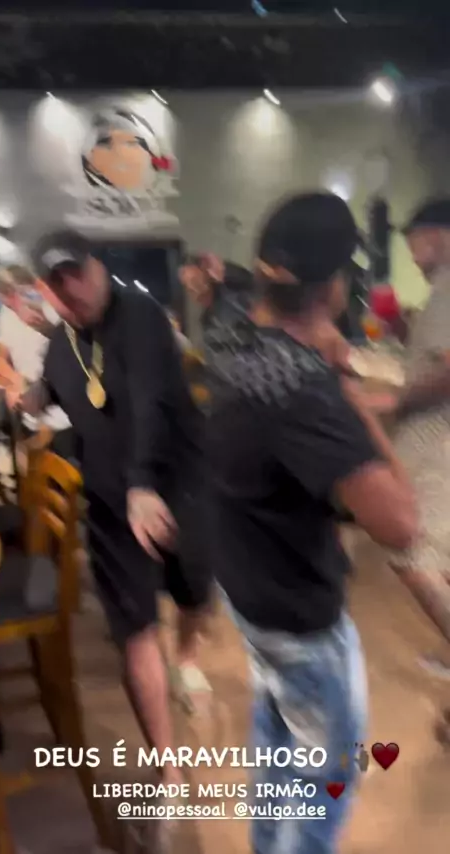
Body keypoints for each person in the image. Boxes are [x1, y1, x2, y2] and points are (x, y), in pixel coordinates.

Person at [204, 192, 417, 854]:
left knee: (278, 740)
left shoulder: (226, 332)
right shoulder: (310, 393)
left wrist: (324, 356)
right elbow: (400, 524)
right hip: (299, 614)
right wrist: (353, 398)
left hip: (246, 590)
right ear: (334, 287)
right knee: (327, 781)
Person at [8, 230, 211, 781]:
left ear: (98, 266)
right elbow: (52, 388)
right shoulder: (60, 343)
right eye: (57, 282)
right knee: (136, 631)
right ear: (45, 290)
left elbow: (148, 400)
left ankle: (187, 657)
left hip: (178, 483)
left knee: (194, 589)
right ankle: (168, 772)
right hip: (110, 500)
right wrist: (30, 399)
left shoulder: (139, 315)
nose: (71, 288)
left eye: (77, 272)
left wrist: (142, 485)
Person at [376, 199, 450, 678]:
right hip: (437, 441)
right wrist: (403, 329)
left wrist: (392, 400)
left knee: (409, 551)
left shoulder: (448, 287)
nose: (414, 257)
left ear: (437, 235)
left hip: (434, 442)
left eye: (414, 245)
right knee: (439, 554)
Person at [0, 266, 75, 461]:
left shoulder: (52, 308)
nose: (13, 306)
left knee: (66, 470)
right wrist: (15, 380)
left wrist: (44, 325)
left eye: (17, 295)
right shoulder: (5, 313)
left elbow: (72, 354)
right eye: (8, 302)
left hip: (63, 417)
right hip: (30, 414)